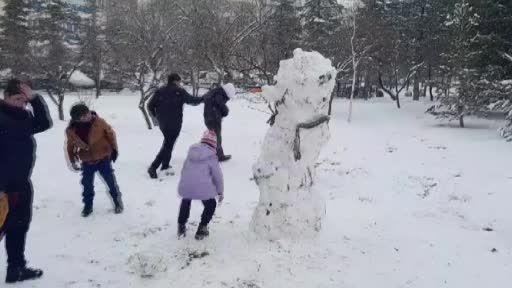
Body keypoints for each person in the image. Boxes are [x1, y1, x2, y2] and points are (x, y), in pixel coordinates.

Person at [0, 78, 52, 283]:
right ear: (6, 97)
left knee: (19, 226)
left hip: (21, 183)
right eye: (17, 99)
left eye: (24, 99)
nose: (21, 103)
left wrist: (35, 99)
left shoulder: (24, 116)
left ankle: (16, 268)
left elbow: (45, 123)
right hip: (3, 187)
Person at [65, 103, 123, 217]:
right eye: (83, 116)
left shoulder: (99, 122)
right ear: (77, 119)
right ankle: (88, 206)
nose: (87, 117)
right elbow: (70, 146)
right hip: (87, 161)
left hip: (103, 158)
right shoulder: (71, 130)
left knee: (110, 181)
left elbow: (111, 134)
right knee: (87, 184)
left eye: (87, 114)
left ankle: (117, 201)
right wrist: (72, 160)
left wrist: (114, 149)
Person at [147, 73, 203, 179]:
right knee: (168, 144)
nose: (180, 83)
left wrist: (157, 116)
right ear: (175, 81)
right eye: (179, 81)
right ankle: (153, 167)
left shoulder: (160, 91)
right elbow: (192, 100)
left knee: (168, 143)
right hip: (174, 123)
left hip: (163, 123)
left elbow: (150, 106)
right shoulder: (179, 91)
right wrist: (203, 98)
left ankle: (165, 165)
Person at [177, 130, 224, 240]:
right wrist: (220, 192)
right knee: (211, 204)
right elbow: (218, 176)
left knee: (186, 200)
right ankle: (202, 228)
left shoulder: (191, 152)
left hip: (186, 186)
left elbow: (184, 170)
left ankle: (181, 225)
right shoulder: (212, 156)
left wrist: (186, 182)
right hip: (202, 188)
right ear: (213, 143)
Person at [203, 83, 235, 162]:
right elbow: (220, 104)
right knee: (217, 137)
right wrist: (225, 111)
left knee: (212, 136)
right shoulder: (219, 94)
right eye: (228, 97)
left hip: (208, 117)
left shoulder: (215, 92)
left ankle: (209, 154)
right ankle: (219, 156)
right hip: (214, 118)